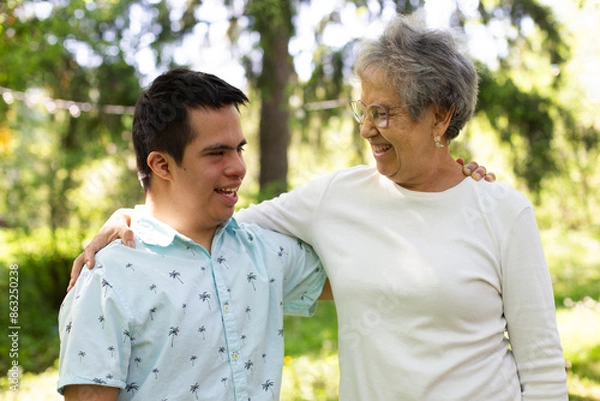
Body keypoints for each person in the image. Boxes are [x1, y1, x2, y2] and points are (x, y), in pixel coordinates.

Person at [68, 14, 567, 401]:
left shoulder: (502, 211)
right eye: (363, 109)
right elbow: (211, 222)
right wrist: (137, 215)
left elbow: (542, 362)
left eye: (384, 113)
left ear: (440, 115)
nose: (366, 128)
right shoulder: (335, 198)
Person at [57, 68, 327, 401]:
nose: (239, 167)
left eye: (238, 149)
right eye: (217, 153)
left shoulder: (263, 251)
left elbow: (361, 277)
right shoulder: (106, 278)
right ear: (162, 165)